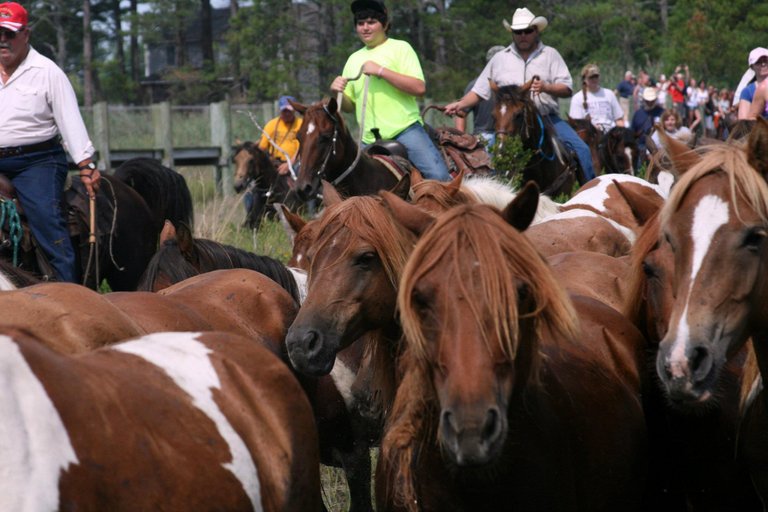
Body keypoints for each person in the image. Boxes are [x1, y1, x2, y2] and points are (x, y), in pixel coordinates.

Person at [0, 2, 99, 283]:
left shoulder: (47, 72)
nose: (3, 40)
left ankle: (67, 290)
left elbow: (70, 120)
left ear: (25, 34)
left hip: (37, 161)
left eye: (10, 33)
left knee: (47, 219)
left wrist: (86, 164)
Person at [444, 7, 596, 181]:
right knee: (484, 163)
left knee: (582, 150)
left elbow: (567, 88)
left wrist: (546, 87)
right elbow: (479, 91)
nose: (523, 35)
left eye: (527, 31)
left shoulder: (551, 55)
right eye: (518, 31)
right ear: (512, 33)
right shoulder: (500, 58)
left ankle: (588, 193)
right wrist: (459, 104)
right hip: (509, 125)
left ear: (536, 31)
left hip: (547, 118)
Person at [330, 0, 450, 181]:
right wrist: (337, 92)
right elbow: (348, 107)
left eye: (371, 22)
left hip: (405, 131)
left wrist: (381, 71)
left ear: (385, 24)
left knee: (439, 177)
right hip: (368, 139)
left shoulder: (401, 48)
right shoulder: (353, 59)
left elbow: (419, 88)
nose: (365, 28)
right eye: (360, 23)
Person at [454, 45, 506, 151]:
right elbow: (461, 113)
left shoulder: (512, 85)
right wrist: (461, 138)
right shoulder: (477, 85)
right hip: (483, 136)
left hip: (506, 134)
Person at [568, 63, 624, 133]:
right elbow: (576, 124)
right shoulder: (577, 98)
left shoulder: (609, 94)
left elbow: (619, 119)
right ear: (584, 79)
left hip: (611, 135)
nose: (594, 79)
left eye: (596, 76)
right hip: (591, 136)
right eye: (591, 77)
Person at [630, 87, 664, 169]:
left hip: (659, 147)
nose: (650, 102)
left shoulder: (662, 113)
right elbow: (632, 132)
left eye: (651, 101)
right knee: (639, 168)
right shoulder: (638, 114)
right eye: (648, 101)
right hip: (641, 146)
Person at [738, 47, 768, 120]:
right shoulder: (747, 91)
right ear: (752, 67)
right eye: (758, 62)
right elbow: (744, 122)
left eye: (766, 61)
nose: (763, 64)